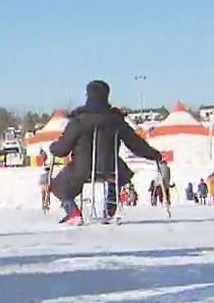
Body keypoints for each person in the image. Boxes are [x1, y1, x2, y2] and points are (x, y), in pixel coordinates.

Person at [47, 80, 163, 222]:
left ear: (88, 95)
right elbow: (136, 144)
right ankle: (110, 207)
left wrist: (53, 147)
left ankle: (73, 212)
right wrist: (154, 154)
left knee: (57, 185)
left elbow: (62, 149)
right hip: (112, 168)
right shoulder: (117, 121)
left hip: (82, 169)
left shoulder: (78, 121)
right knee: (117, 177)